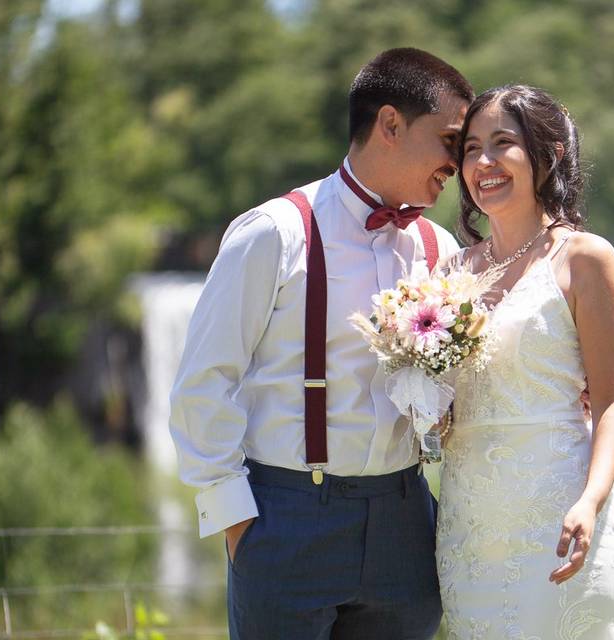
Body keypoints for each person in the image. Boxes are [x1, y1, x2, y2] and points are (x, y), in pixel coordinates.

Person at [168, 48, 472, 640]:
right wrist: (238, 525)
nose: (457, 164)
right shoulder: (273, 233)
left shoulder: (437, 248)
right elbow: (204, 380)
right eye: (451, 141)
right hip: (287, 521)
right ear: (390, 125)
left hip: (406, 524)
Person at [435, 85, 614, 638]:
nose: (484, 163)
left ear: (550, 155)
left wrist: (590, 501)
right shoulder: (449, 272)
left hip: (562, 520)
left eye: (504, 144)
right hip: (469, 526)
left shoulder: (585, 259)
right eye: (471, 148)